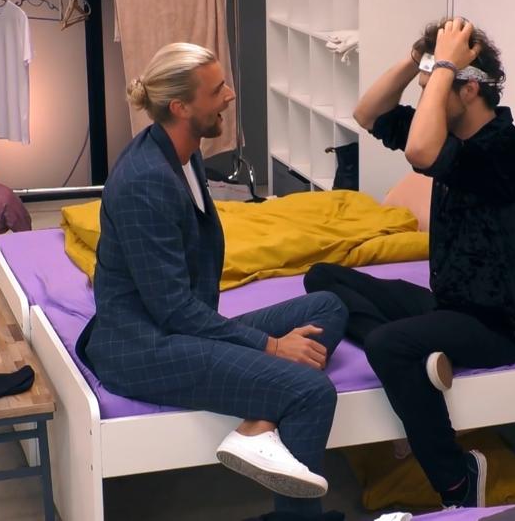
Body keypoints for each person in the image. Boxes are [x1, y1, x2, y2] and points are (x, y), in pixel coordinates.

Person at [76, 43, 348, 519]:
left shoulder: (184, 155)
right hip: (143, 348)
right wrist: (270, 347)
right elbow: (172, 310)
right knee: (310, 391)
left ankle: (256, 427)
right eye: (217, 89)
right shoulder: (145, 181)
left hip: (180, 327)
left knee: (329, 306)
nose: (230, 95)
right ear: (180, 107)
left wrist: (262, 353)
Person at [303, 18, 515, 509]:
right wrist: (420, 58)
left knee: (387, 344)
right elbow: (367, 113)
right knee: (321, 276)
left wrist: (445, 64)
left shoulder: (512, 151)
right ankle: (420, 368)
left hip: (495, 325)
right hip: (446, 306)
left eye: (434, 86)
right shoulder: (453, 132)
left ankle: (457, 481)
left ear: (469, 89)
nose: (424, 94)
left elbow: (420, 150)